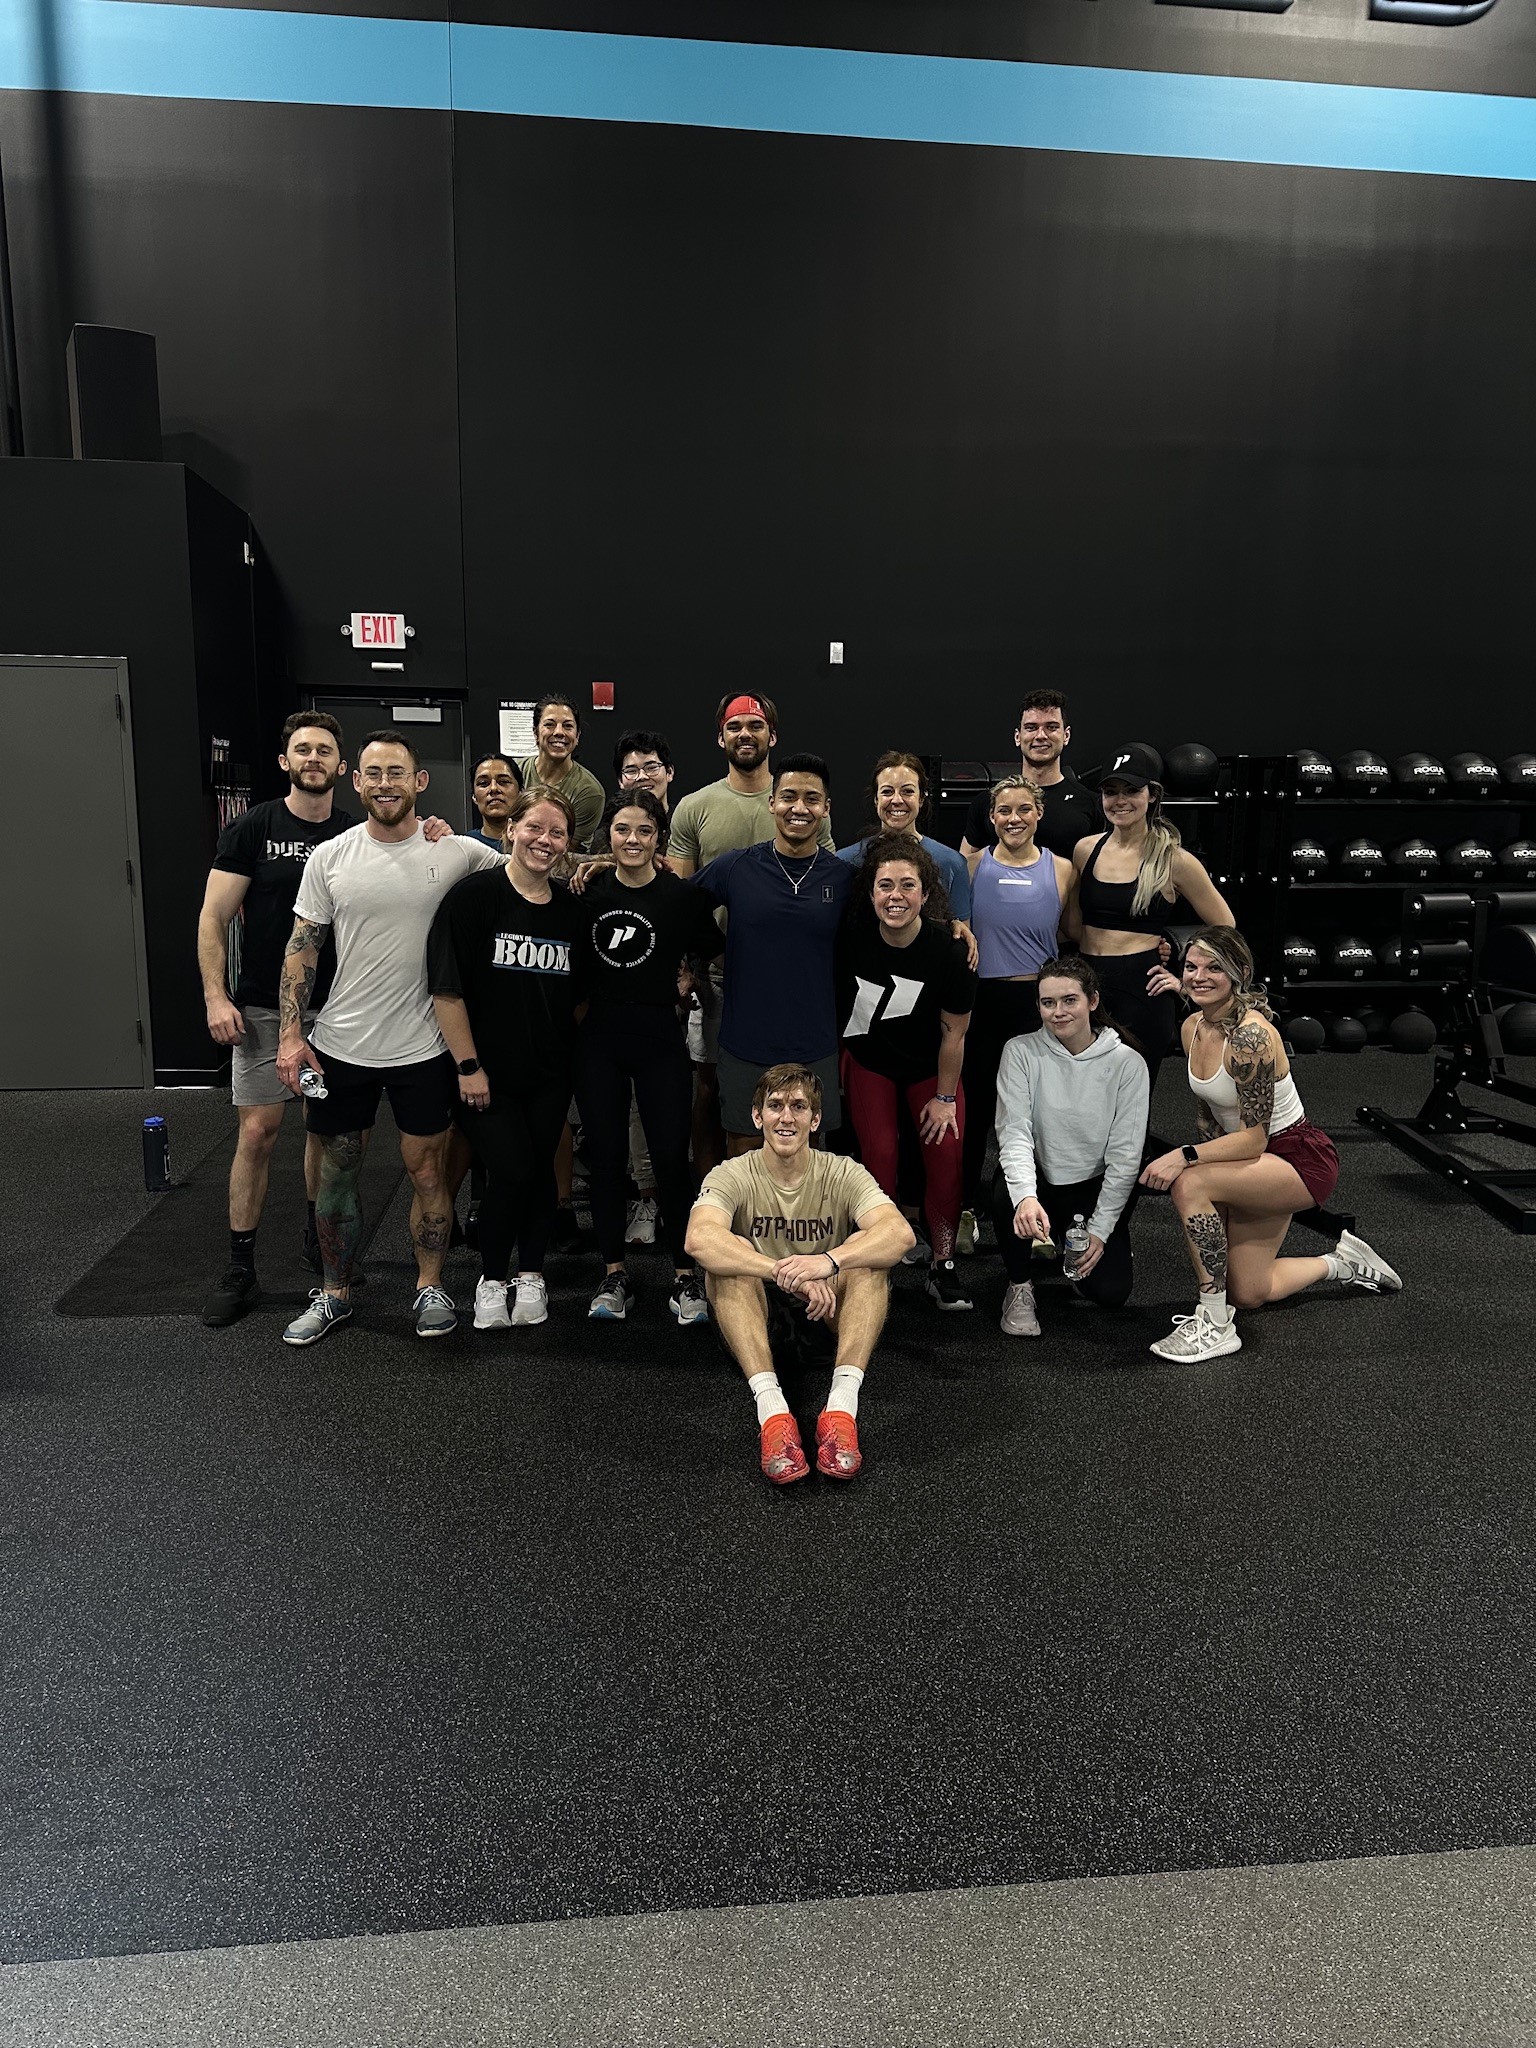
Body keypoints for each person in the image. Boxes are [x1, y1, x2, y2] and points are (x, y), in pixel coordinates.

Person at [275, 729, 507, 1344]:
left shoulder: (455, 851)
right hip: (342, 1045)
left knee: (428, 1173)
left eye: (397, 773)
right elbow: (302, 949)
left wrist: (608, 866)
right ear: (357, 782)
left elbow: (535, 867)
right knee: (337, 1172)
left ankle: (429, 1285)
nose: (385, 784)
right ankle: (334, 1293)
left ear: (419, 782)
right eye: (374, 773)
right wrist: (291, 1035)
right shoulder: (330, 857)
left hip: (424, 1048)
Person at [1138, 927, 1402, 1363]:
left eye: (1214, 968)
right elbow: (1209, 1112)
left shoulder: (1252, 1038)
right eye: (1191, 967)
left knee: (1189, 1183)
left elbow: (1255, 1137)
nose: (1199, 977)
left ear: (1240, 973)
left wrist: (1187, 1158)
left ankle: (1215, 1323)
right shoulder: (1192, 1027)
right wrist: (1217, 1182)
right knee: (1249, 1291)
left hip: (1296, 1158)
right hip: (1250, 1160)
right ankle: (1343, 1262)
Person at [685, 1063, 914, 1485]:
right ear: (757, 1117)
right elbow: (698, 1240)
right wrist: (782, 1271)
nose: (786, 1117)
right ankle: (773, 1414)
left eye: (798, 1106)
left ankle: (841, 1410)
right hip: (760, 1322)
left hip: (825, 1317)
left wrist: (827, 1262)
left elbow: (899, 1234)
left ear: (816, 1118)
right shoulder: (731, 1173)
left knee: (868, 1261)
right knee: (729, 1260)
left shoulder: (843, 1171)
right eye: (775, 1106)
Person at [197, 712, 355, 1325]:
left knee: (325, 1130)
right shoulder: (253, 828)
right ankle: (241, 1265)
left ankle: (319, 1241)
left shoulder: (355, 832)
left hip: (336, 1010)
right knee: (258, 1132)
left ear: (342, 766)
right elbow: (213, 918)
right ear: (286, 761)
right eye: (303, 749)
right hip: (264, 1005)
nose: (313, 758)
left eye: (324, 750)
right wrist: (216, 998)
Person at [428, 790, 590, 1332]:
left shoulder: (571, 911)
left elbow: (581, 996)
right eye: (535, 828)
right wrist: (467, 1066)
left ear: (567, 844)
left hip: (549, 1074)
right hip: (484, 1075)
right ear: (511, 830)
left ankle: (532, 1273)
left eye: (557, 833)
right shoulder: (474, 897)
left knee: (539, 1170)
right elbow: (446, 990)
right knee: (512, 1170)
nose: (544, 840)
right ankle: (492, 1277)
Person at [574, 790, 724, 1326]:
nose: (632, 840)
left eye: (643, 830)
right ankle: (614, 1273)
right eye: (622, 829)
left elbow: (712, 947)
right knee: (607, 1159)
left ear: (659, 837)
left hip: (660, 1037)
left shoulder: (681, 897)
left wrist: (691, 978)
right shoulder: (588, 891)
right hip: (600, 1040)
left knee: (670, 1160)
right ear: (608, 835)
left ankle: (685, 1275)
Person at [668, 694, 834, 1174]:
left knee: (801, 1125)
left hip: (803, 996)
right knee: (717, 1098)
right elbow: (677, 898)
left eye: (756, 726)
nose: (745, 734)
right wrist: (707, 958)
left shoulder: (825, 849)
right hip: (726, 983)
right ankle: (713, 1197)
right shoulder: (699, 810)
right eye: (735, 726)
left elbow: (852, 889)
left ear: (771, 736)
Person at [693, 754, 857, 1153]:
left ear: (826, 808)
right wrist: (717, 953)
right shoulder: (736, 867)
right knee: (745, 1155)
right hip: (746, 1041)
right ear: (772, 803)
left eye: (811, 799)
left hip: (814, 1043)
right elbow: (680, 906)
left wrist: (955, 923)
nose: (799, 808)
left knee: (805, 1158)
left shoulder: (844, 878)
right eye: (789, 797)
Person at [838, 834, 975, 1310]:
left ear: (925, 892)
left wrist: (945, 1098)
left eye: (908, 885)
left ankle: (943, 1263)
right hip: (869, 1061)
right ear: (870, 891)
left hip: (928, 1068)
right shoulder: (848, 936)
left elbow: (954, 1034)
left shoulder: (950, 951)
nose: (895, 896)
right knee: (879, 1158)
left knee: (947, 1153)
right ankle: (879, 1264)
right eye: (885, 885)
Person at [992, 955, 1149, 1337]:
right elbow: (1014, 1132)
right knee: (1006, 1193)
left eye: (1069, 1000)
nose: (1058, 1012)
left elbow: (1126, 1157)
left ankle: (1073, 1239)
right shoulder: (1020, 1051)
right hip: (1042, 1180)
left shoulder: (1128, 1063)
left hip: (1091, 1185)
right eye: (1048, 1002)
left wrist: (1101, 1231)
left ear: (1092, 1001)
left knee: (1110, 1293)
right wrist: (1026, 1197)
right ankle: (1019, 1285)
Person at [957, 776, 1074, 1252]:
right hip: (982, 1003)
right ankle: (965, 1208)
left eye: (1024, 809)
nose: (1013, 819)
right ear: (991, 817)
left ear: (1039, 814)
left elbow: (1076, 932)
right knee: (976, 1113)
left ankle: (1037, 1213)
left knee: (1037, 1115)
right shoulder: (970, 866)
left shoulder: (1062, 869)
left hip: (1037, 1006)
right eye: (1004, 810)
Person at [1068, 742, 1234, 1073]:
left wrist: (1183, 974)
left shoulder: (1174, 860)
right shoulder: (1085, 850)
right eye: (1111, 792)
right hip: (1087, 981)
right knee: (1082, 1089)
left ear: (1152, 795)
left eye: (1131, 790)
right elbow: (1072, 926)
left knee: (1133, 1092)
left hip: (1142, 989)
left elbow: (1225, 926)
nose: (1120, 800)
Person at [960, 689, 1098, 862]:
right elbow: (962, 867)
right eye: (1031, 728)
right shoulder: (988, 802)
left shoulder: (1090, 804)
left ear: (1066, 735)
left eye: (1051, 727)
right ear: (1018, 737)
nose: (1041, 736)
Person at [837, 751, 973, 921]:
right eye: (887, 792)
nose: (897, 800)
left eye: (907, 791)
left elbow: (961, 931)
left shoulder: (952, 863)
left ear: (921, 799)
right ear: (876, 799)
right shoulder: (843, 862)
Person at [516, 693, 606, 853]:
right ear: (536, 733)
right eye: (550, 725)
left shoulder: (589, 791)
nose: (559, 732)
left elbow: (563, 849)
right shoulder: (514, 772)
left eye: (568, 726)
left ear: (577, 736)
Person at [465, 753, 524, 849]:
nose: (493, 788)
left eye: (503, 782)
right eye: (483, 783)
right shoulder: (464, 845)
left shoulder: (534, 843)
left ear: (520, 792)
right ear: (474, 797)